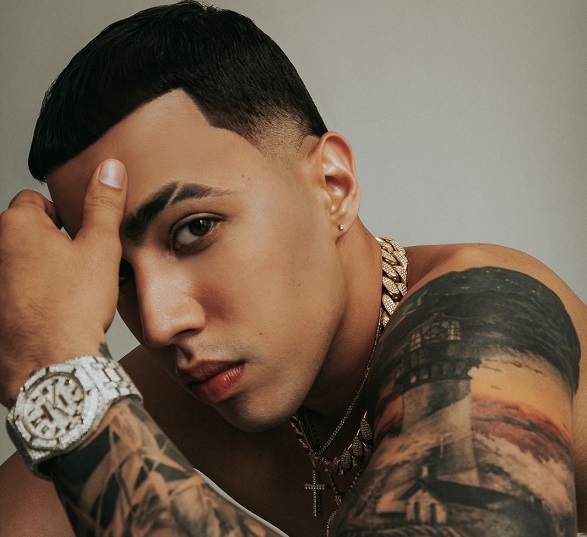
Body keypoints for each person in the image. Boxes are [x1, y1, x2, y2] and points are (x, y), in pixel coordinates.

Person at [0, 2, 585, 536]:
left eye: (195, 228)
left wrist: (55, 370)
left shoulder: (487, 319)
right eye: (118, 273)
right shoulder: (178, 383)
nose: (158, 323)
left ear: (333, 186)